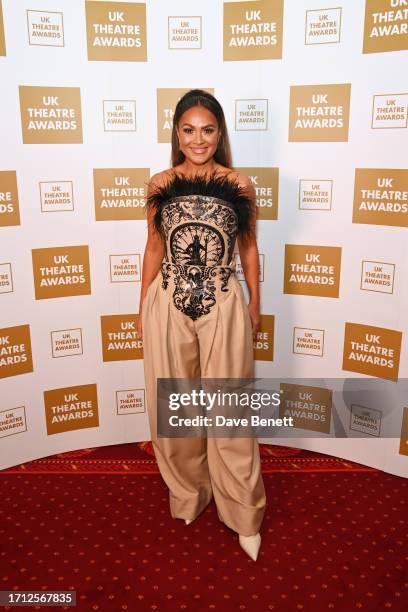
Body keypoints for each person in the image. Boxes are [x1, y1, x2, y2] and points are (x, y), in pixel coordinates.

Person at [137, 89, 266, 561]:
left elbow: (249, 248)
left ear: (219, 133)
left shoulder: (240, 183)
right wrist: (141, 303)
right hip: (167, 301)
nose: (198, 139)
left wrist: (255, 305)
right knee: (175, 405)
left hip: (225, 301)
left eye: (208, 130)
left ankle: (243, 513)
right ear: (176, 132)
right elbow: (154, 246)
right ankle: (190, 494)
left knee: (228, 406)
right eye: (188, 130)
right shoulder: (159, 183)